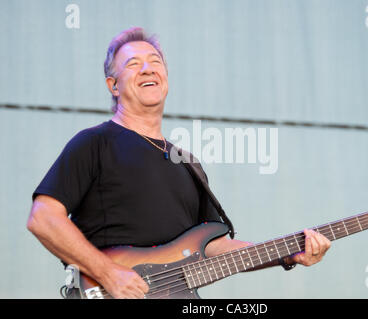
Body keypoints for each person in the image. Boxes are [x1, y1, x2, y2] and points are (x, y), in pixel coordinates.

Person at [26, 27, 331, 299]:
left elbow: (214, 248)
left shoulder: (187, 163)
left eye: (155, 62)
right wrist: (108, 273)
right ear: (113, 85)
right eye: (133, 64)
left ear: (166, 78)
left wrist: (287, 254)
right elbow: (43, 218)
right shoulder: (94, 142)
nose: (147, 69)